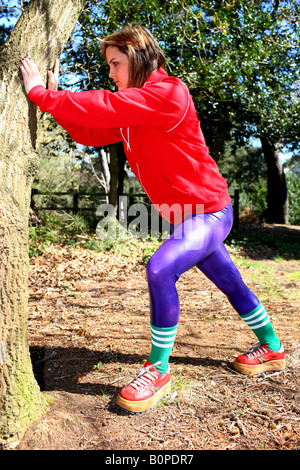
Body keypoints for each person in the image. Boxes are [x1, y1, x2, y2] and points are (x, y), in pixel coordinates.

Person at [20, 24, 285, 414]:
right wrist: (55, 99)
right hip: (185, 218)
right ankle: (272, 348)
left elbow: (106, 106)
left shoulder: (169, 93)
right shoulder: (134, 107)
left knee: (160, 269)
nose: (110, 74)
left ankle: (158, 370)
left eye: (116, 63)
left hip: (210, 211)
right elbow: (88, 131)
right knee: (230, 282)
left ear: (139, 56)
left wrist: (41, 95)